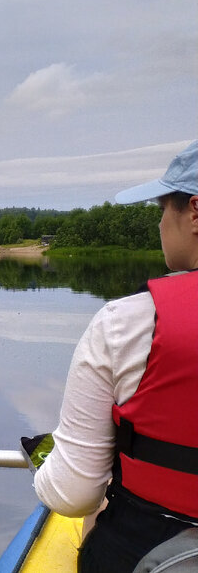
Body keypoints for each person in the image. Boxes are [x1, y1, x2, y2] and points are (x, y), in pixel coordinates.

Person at [33, 139, 198, 572]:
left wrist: (51, 469)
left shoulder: (125, 323)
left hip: (152, 549)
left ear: (195, 211)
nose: (160, 223)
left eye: (163, 209)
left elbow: (71, 494)